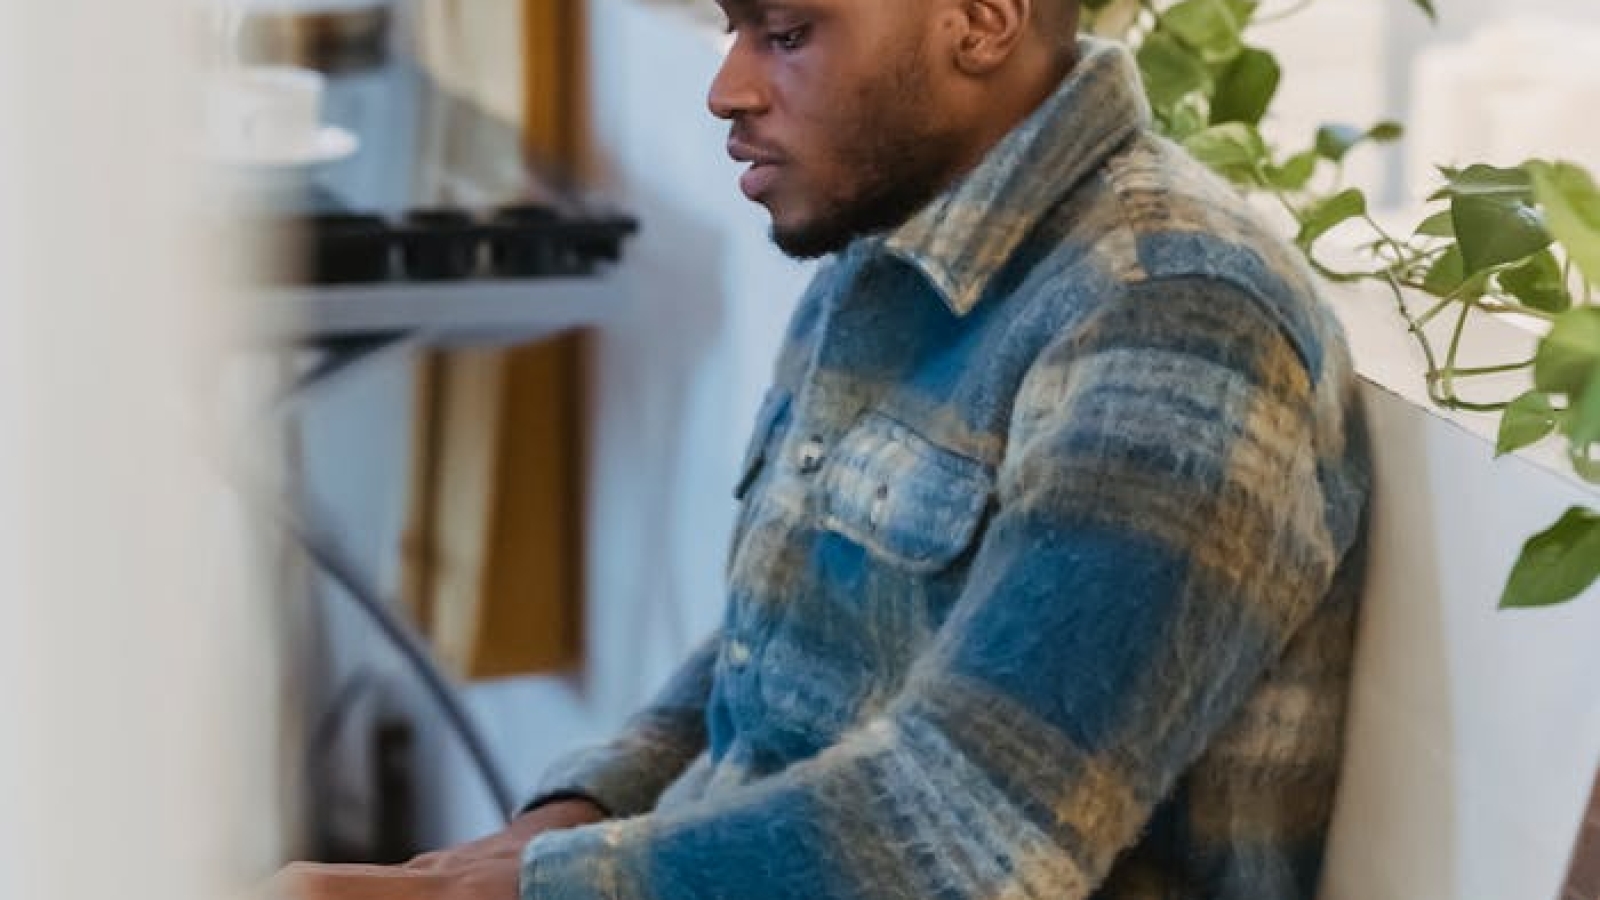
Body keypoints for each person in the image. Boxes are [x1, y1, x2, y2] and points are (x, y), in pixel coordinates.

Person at [277, 0, 1370, 896]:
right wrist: (577, 815)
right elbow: (773, 649)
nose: (727, 90)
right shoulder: (889, 231)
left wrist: (516, 891)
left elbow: (972, 837)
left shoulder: (1175, 317)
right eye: (733, 31)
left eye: (786, 34)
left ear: (981, 21)